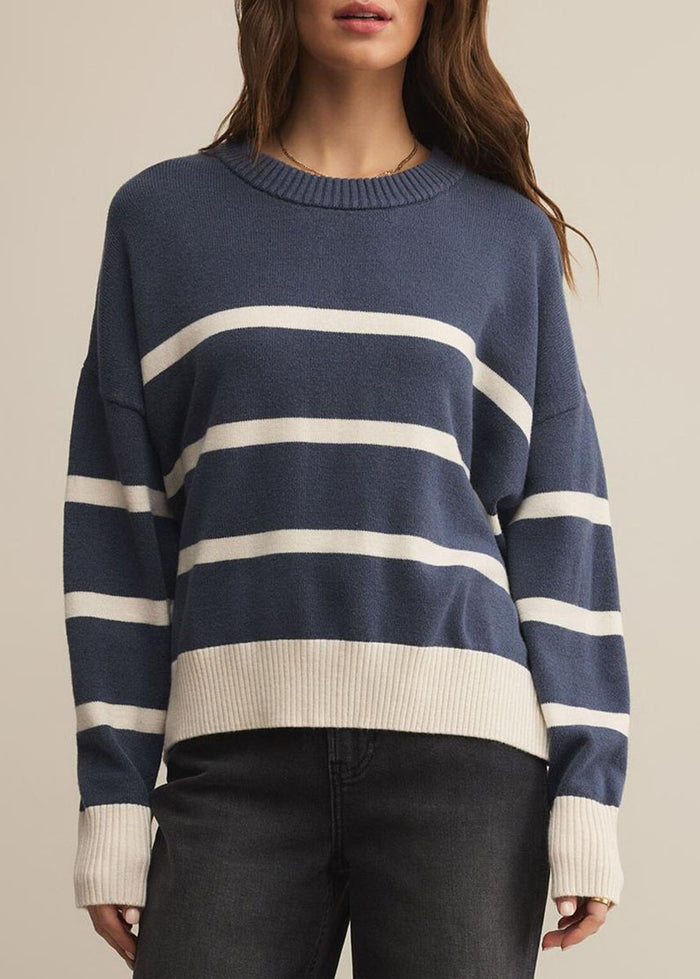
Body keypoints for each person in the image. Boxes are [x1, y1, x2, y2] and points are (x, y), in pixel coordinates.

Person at [61, 0, 631, 975]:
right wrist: (113, 799)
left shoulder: (504, 236)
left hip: (466, 769)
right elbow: (118, 521)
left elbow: (560, 518)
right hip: (232, 762)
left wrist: (588, 787)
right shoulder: (161, 220)